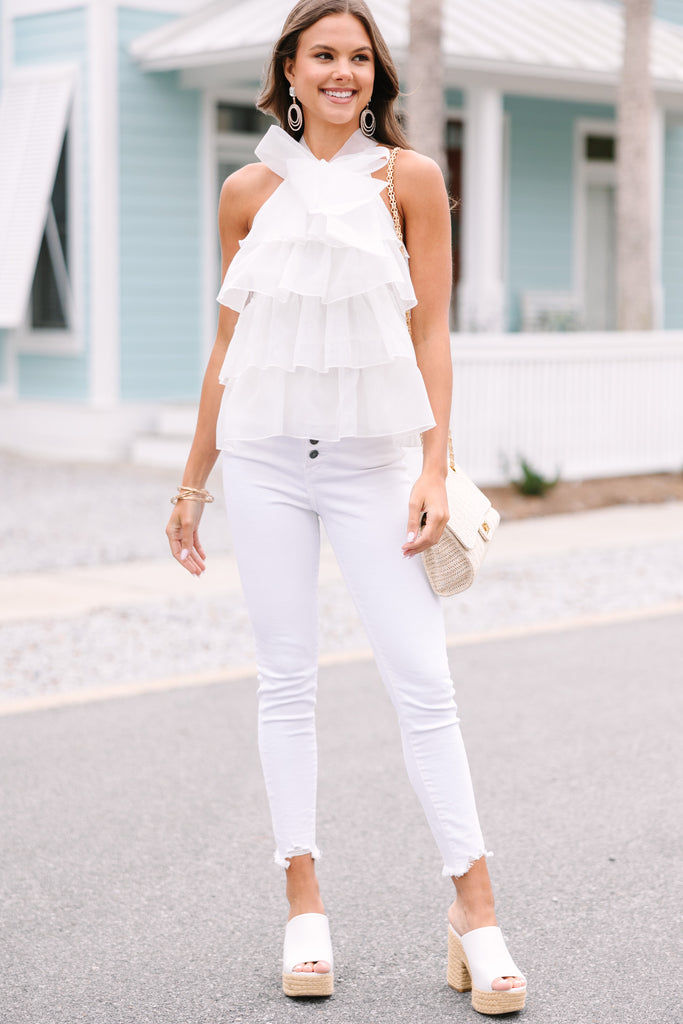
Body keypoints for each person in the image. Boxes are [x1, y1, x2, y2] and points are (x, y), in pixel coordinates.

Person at [165, 0, 526, 1013]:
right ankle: (303, 903)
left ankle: (475, 909)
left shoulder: (409, 179)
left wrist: (431, 462)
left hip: (374, 464)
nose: (342, 73)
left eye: (358, 58)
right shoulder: (245, 191)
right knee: (285, 680)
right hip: (267, 461)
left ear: (376, 77)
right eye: (322, 55)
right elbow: (229, 351)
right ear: (287, 67)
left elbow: (432, 337)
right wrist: (193, 484)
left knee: (422, 679)